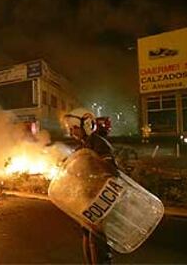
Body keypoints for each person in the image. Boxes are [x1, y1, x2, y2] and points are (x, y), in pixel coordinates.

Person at [64, 108, 117, 265]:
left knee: (97, 242)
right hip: (88, 201)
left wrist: (90, 174)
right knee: (88, 236)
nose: (72, 131)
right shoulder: (83, 147)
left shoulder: (100, 145)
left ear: (87, 126)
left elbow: (109, 171)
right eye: (70, 128)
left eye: (74, 128)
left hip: (99, 200)